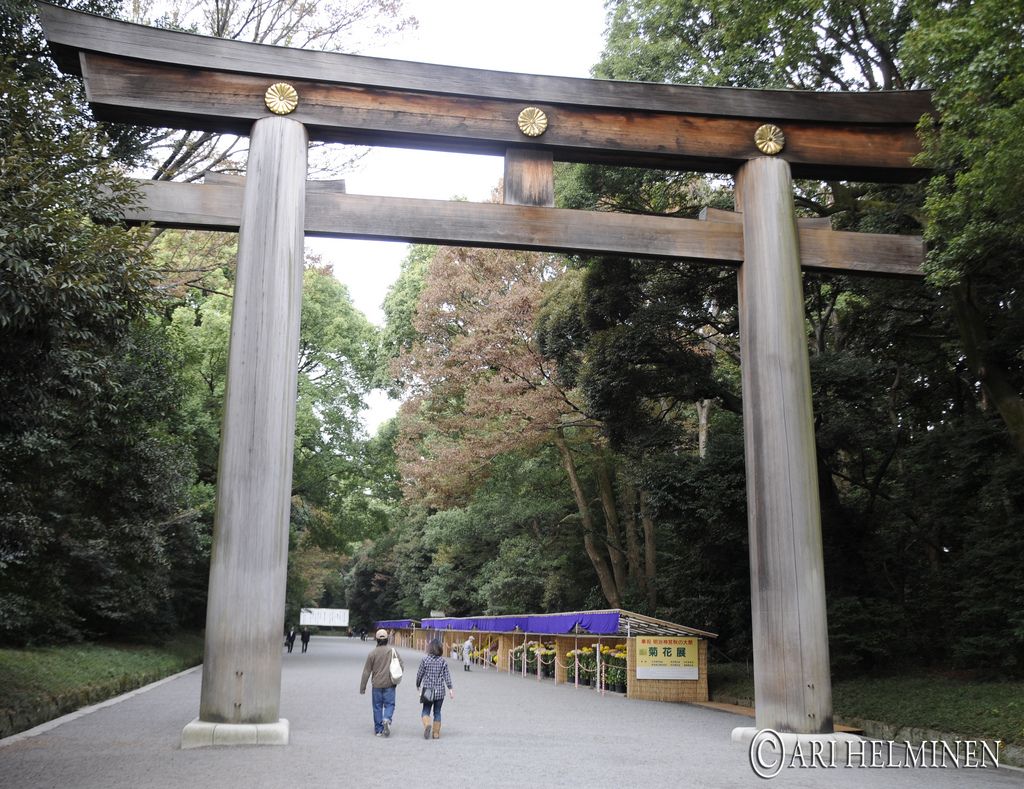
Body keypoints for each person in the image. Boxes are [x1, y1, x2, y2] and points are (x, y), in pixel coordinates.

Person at [359, 628, 404, 737]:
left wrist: (363, 687)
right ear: (387, 639)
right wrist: (397, 675)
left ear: (377, 640)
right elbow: (401, 665)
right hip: (390, 684)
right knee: (390, 704)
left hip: (377, 684)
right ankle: (387, 718)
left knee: (377, 707)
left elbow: (366, 671)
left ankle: (378, 730)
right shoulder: (392, 651)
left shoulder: (372, 654)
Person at [416, 638, 454, 740]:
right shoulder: (443, 661)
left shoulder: (425, 660)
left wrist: (418, 684)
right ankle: (436, 733)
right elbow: (447, 676)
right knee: (437, 712)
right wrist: (450, 689)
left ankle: (427, 724)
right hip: (440, 691)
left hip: (428, 690)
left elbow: (420, 674)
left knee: (426, 710)